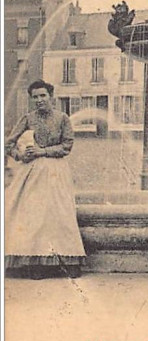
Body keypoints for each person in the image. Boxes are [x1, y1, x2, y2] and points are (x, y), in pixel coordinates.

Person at [4, 80, 85, 277]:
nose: (39, 100)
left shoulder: (62, 118)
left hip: (56, 169)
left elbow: (67, 146)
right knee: (35, 215)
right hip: (32, 172)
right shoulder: (28, 118)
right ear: (31, 100)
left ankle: (68, 261)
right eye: (35, 97)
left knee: (60, 213)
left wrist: (43, 151)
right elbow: (8, 144)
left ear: (51, 96)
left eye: (43, 96)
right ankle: (35, 263)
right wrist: (20, 155)